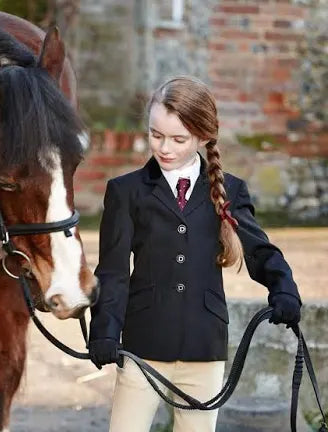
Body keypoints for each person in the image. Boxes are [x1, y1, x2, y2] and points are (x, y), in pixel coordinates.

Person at [88, 76, 302, 432]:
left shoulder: (230, 189)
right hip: (143, 346)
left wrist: (284, 289)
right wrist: (105, 330)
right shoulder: (125, 192)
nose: (164, 148)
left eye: (178, 139)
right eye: (156, 135)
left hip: (204, 345)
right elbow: (112, 270)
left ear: (203, 137)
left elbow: (260, 250)